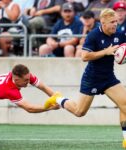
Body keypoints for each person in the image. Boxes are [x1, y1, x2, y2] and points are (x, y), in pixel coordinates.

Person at [44, 8, 126, 148]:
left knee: (124, 104)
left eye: (116, 22)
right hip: (92, 78)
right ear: (103, 23)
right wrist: (106, 52)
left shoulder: (118, 34)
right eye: (112, 22)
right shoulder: (93, 35)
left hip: (108, 78)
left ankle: (125, 140)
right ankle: (58, 98)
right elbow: (84, 56)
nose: (115, 25)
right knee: (79, 112)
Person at [0, 64, 58, 133]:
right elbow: (29, 108)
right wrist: (50, 107)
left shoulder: (25, 76)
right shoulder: (10, 90)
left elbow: (43, 87)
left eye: (29, 79)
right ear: (16, 80)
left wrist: (58, 98)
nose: (29, 81)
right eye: (26, 80)